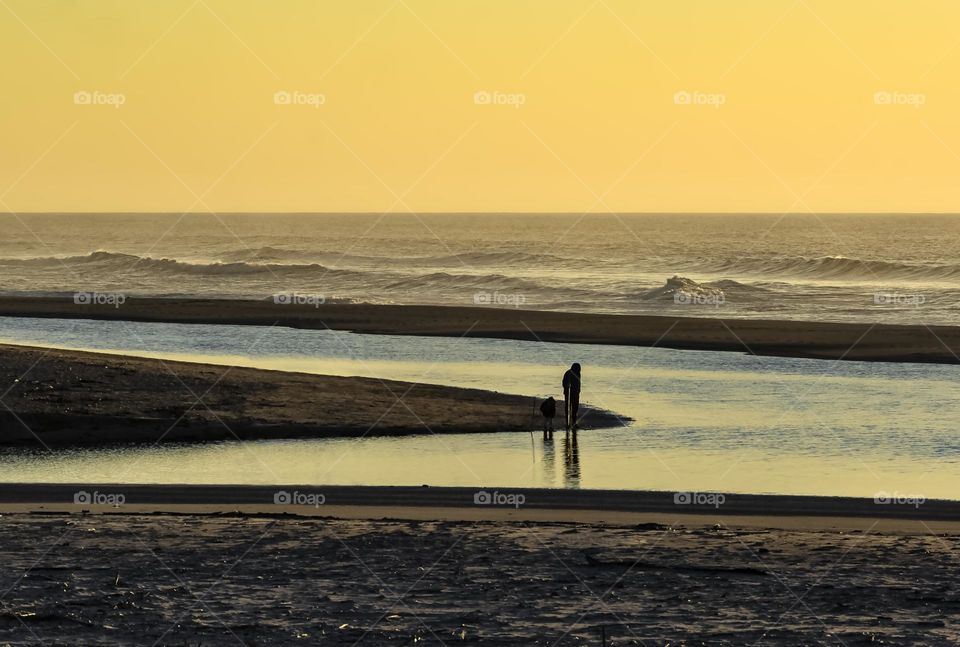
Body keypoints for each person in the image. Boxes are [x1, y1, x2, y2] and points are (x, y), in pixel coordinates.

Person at [562, 362, 581, 431]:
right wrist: (567, 386)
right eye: (578, 368)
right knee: (568, 407)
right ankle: (567, 423)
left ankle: (574, 422)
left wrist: (579, 390)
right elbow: (564, 382)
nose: (579, 369)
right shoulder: (568, 373)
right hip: (569, 393)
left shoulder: (578, 373)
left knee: (575, 408)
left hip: (576, 393)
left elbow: (579, 382)